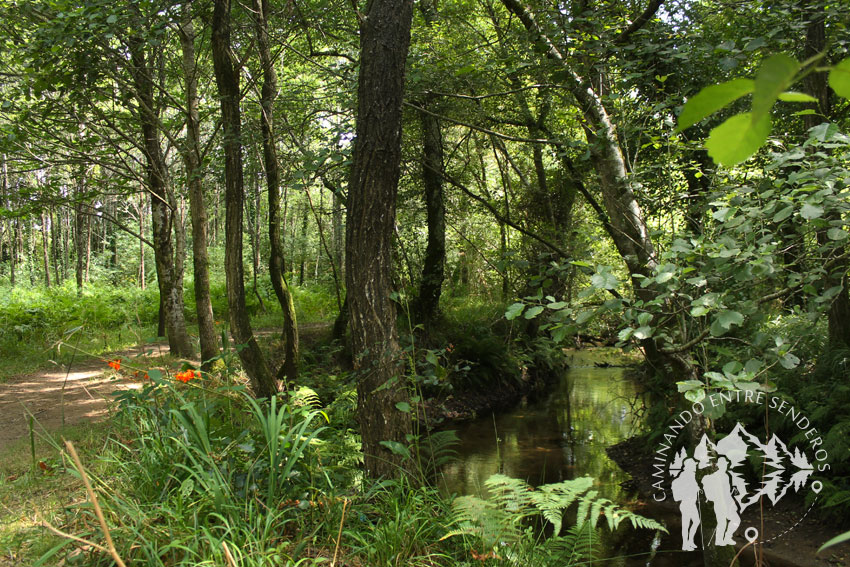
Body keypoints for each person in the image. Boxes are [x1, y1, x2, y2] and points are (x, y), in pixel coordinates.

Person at [701, 456, 741, 545]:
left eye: (725, 465)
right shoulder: (715, 477)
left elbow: (726, 491)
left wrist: (733, 493)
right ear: (719, 466)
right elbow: (716, 492)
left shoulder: (726, 476)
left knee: (736, 520)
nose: (724, 467)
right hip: (719, 503)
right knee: (722, 522)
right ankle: (719, 540)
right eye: (723, 465)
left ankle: (727, 537)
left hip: (727, 502)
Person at [671, 458, 701, 551]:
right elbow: (678, 495)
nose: (695, 468)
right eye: (693, 466)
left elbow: (695, 488)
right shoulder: (684, 477)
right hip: (686, 504)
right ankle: (685, 544)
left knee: (696, 522)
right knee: (686, 524)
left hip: (692, 504)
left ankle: (690, 541)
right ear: (688, 467)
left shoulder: (692, 476)